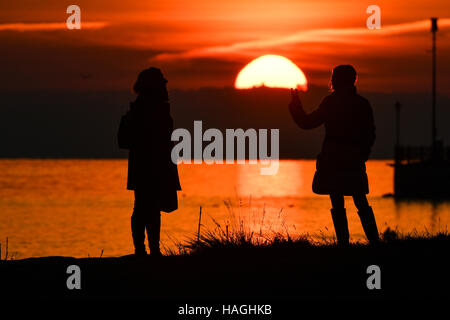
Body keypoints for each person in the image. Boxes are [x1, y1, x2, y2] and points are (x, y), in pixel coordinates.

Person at [288, 65, 379, 245]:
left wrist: (295, 105)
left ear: (336, 81)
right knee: (360, 200)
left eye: (334, 78)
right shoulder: (362, 104)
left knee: (338, 202)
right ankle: (375, 242)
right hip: (353, 158)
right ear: (353, 80)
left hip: (333, 158)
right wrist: (363, 155)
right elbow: (370, 134)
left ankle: (343, 244)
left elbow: (307, 123)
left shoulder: (331, 103)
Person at [118, 67, 181, 256]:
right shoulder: (146, 109)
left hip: (151, 165)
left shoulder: (148, 108)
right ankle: (144, 250)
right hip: (148, 165)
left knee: (150, 207)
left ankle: (150, 249)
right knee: (146, 207)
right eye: (161, 83)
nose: (165, 87)